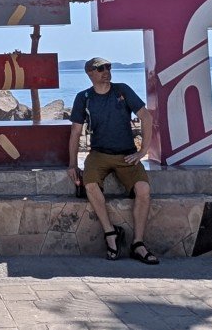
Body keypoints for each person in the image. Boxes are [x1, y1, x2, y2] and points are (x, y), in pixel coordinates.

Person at [67, 57, 159, 264]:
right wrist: (72, 164)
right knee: (90, 185)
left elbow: (146, 116)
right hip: (98, 154)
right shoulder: (84, 98)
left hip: (126, 153)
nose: (106, 71)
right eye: (100, 68)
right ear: (90, 73)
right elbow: (75, 132)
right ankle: (110, 233)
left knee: (143, 190)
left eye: (108, 67)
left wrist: (143, 150)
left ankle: (138, 243)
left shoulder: (122, 91)